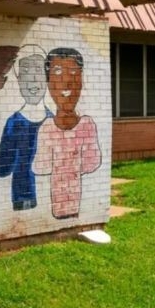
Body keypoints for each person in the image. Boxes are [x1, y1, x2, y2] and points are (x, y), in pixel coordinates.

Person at [32, 48, 101, 219]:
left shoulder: (87, 125)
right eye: (58, 72)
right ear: (48, 84)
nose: (67, 80)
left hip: (74, 203)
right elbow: (41, 167)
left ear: (81, 81)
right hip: (58, 205)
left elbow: (92, 163)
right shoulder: (47, 128)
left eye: (73, 72)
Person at [0, 45, 51, 210]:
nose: (33, 79)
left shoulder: (54, 122)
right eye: (26, 71)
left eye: (38, 70)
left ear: (46, 78)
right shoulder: (13, 123)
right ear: (19, 79)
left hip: (52, 196)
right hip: (21, 198)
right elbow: (4, 168)